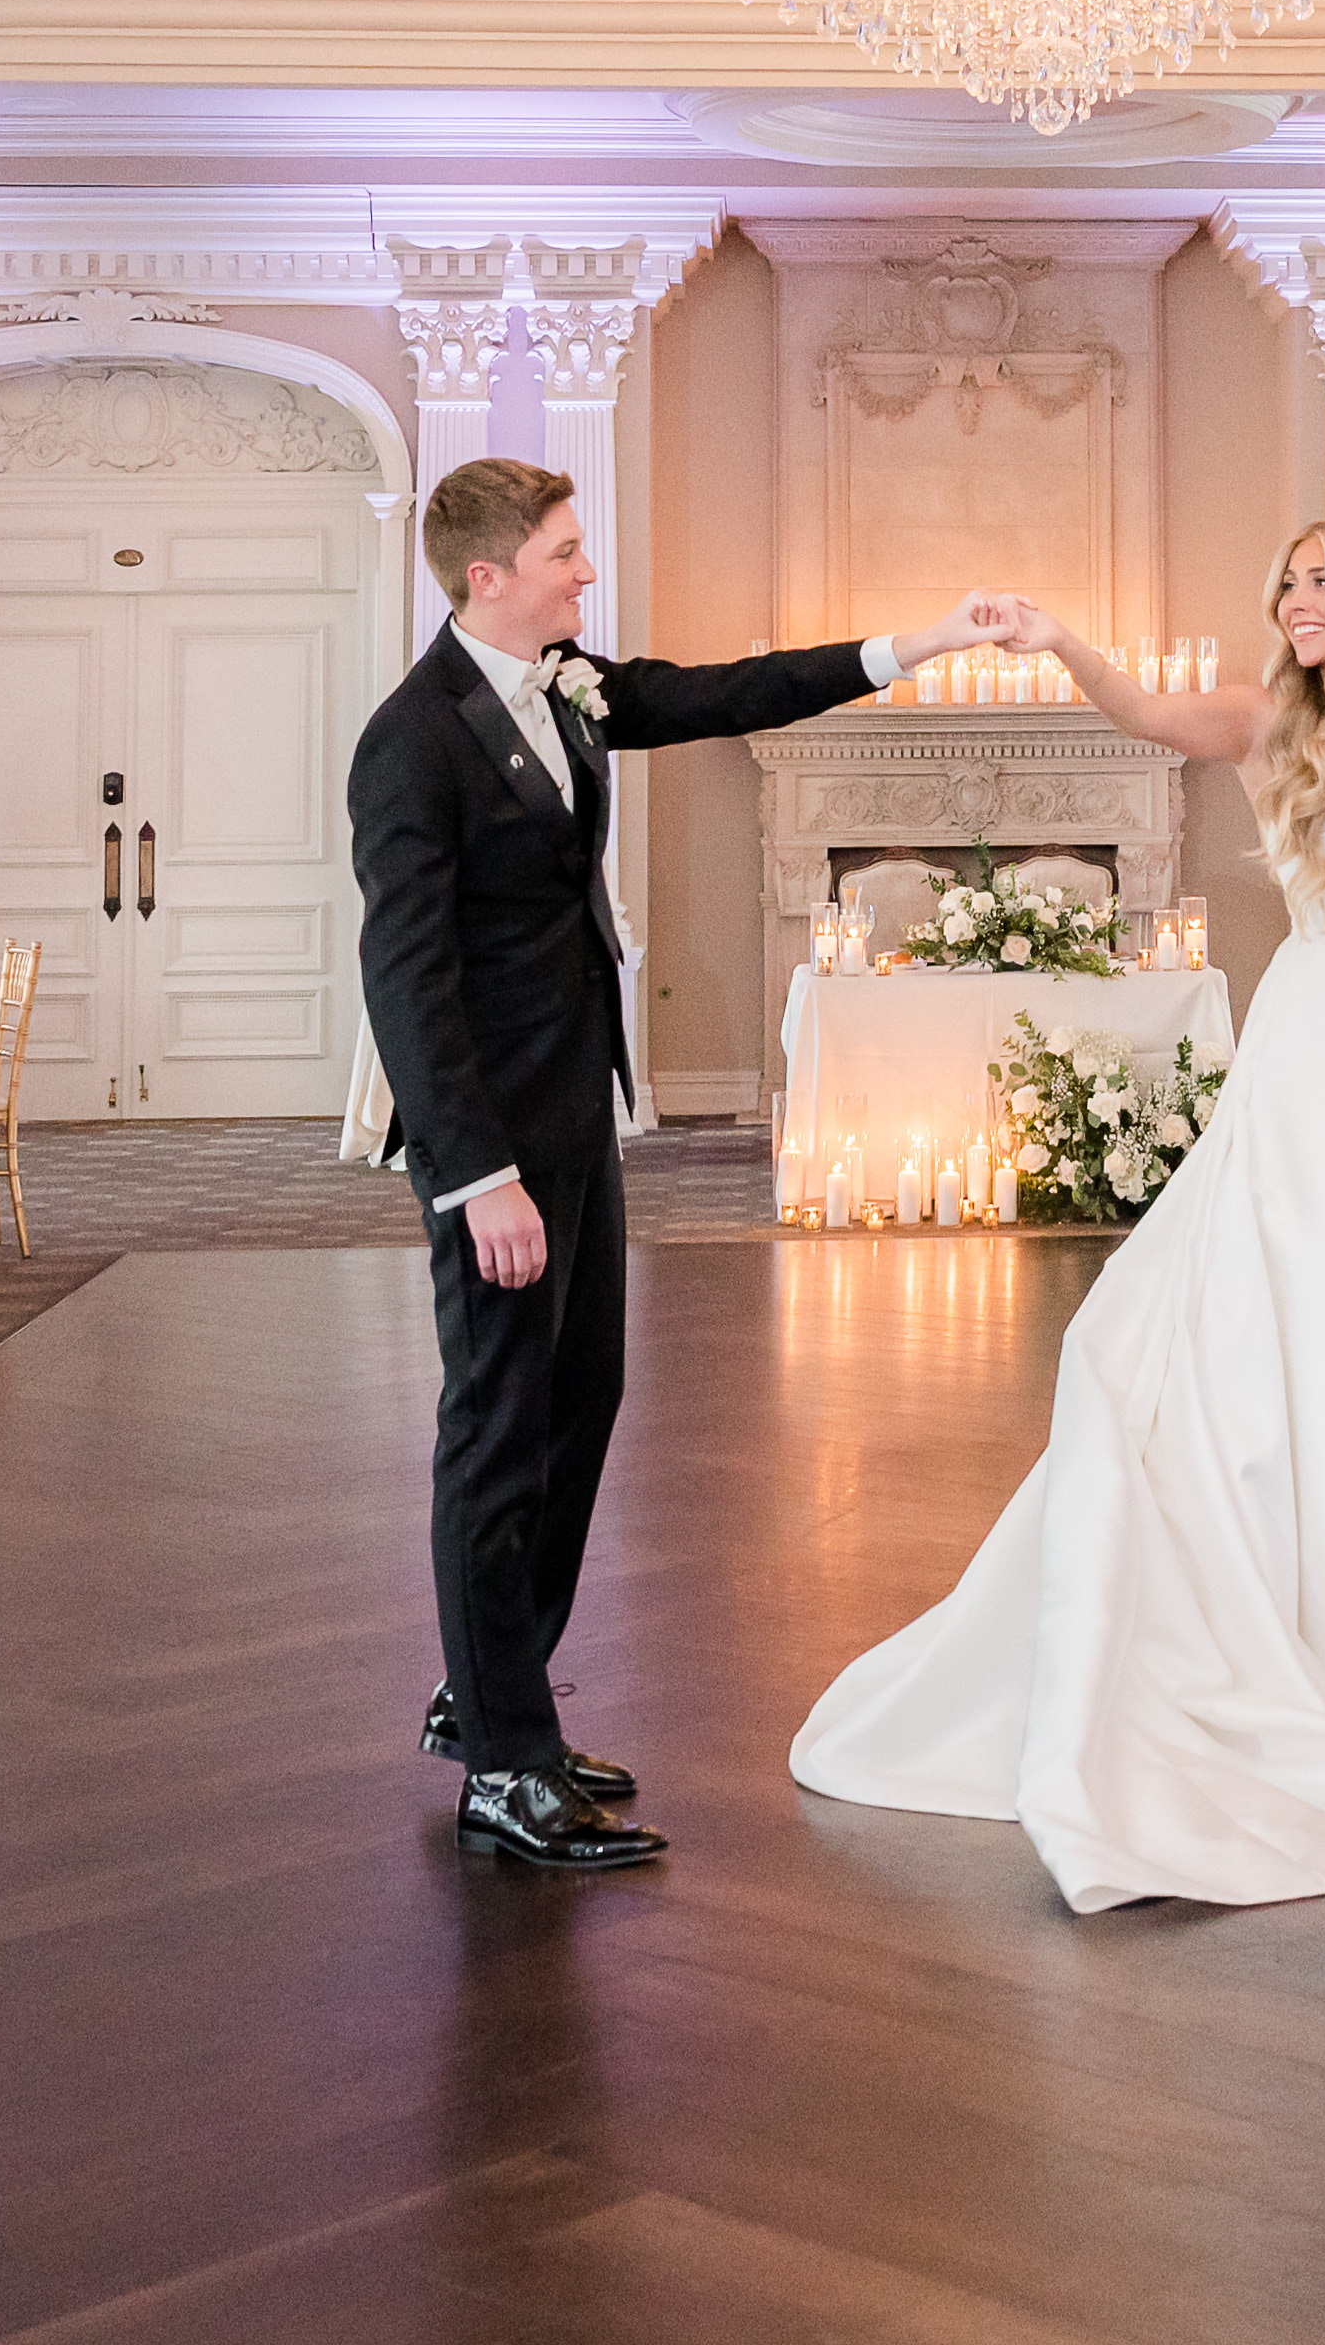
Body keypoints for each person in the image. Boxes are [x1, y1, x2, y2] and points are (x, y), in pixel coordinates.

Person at [789, 519, 1325, 1912]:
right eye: (1287, 582)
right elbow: (1142, 713)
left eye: (1319, 581)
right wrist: (1059, 636)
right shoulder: (1272, 716)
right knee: (1304, 1295)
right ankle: (1306, 1584)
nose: (1294, 600)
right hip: (1324, 1036)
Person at [349, 454, 1005, 1872]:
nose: (587, 574)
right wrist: (477, 1176)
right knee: (497, 1424)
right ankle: (503, 1773)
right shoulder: (414, 741)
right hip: (493, 1145)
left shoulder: (568, 685)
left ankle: (499, 1700)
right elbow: (404, 979)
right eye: (567, 554)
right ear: (489, 577)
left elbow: (729, 693)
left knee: (582, 1399)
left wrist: (922, 641)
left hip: (574, 1111)